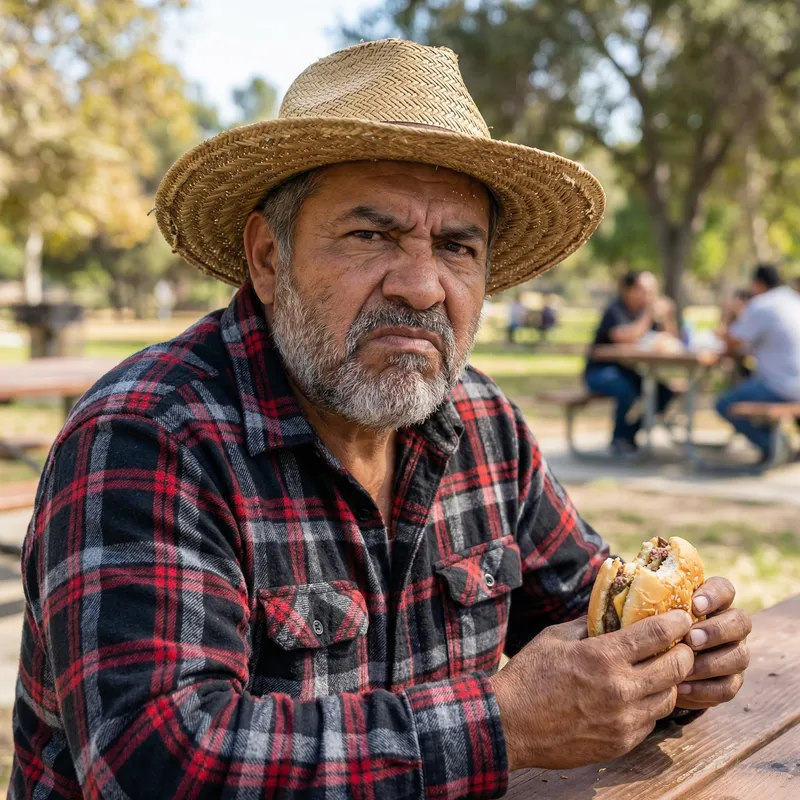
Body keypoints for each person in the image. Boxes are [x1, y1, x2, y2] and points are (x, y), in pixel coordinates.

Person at [11, 40, 750, 799]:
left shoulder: (483, 424)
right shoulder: (149, 436)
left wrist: (678, 655)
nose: (424, 287)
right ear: (268, 257)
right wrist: (503, 725)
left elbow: (589, 620)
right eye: (373, 235)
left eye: (458, 247)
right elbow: (160, 766)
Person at [584, 271, 680, 455]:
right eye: (644, 290)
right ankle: (619, 440)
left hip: (628, 370)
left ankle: (630, 434)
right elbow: (623, 337)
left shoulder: (647, 313)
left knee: (664, 393)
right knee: (625, 389)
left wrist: (668, 316)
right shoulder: (615, 310)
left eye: (652, 291)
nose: (649, 296)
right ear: (628, 290)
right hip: (601, 371)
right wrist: (649, 315)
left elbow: (670, 339)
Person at [716, 264, 800, 461]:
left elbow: (732, 342)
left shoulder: (762, 304)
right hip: (794, 382)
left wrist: (730, 315)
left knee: (725, 404)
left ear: (757, 284)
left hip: (782, 386)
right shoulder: (794, 300)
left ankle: (776, 447)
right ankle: (776, 446)